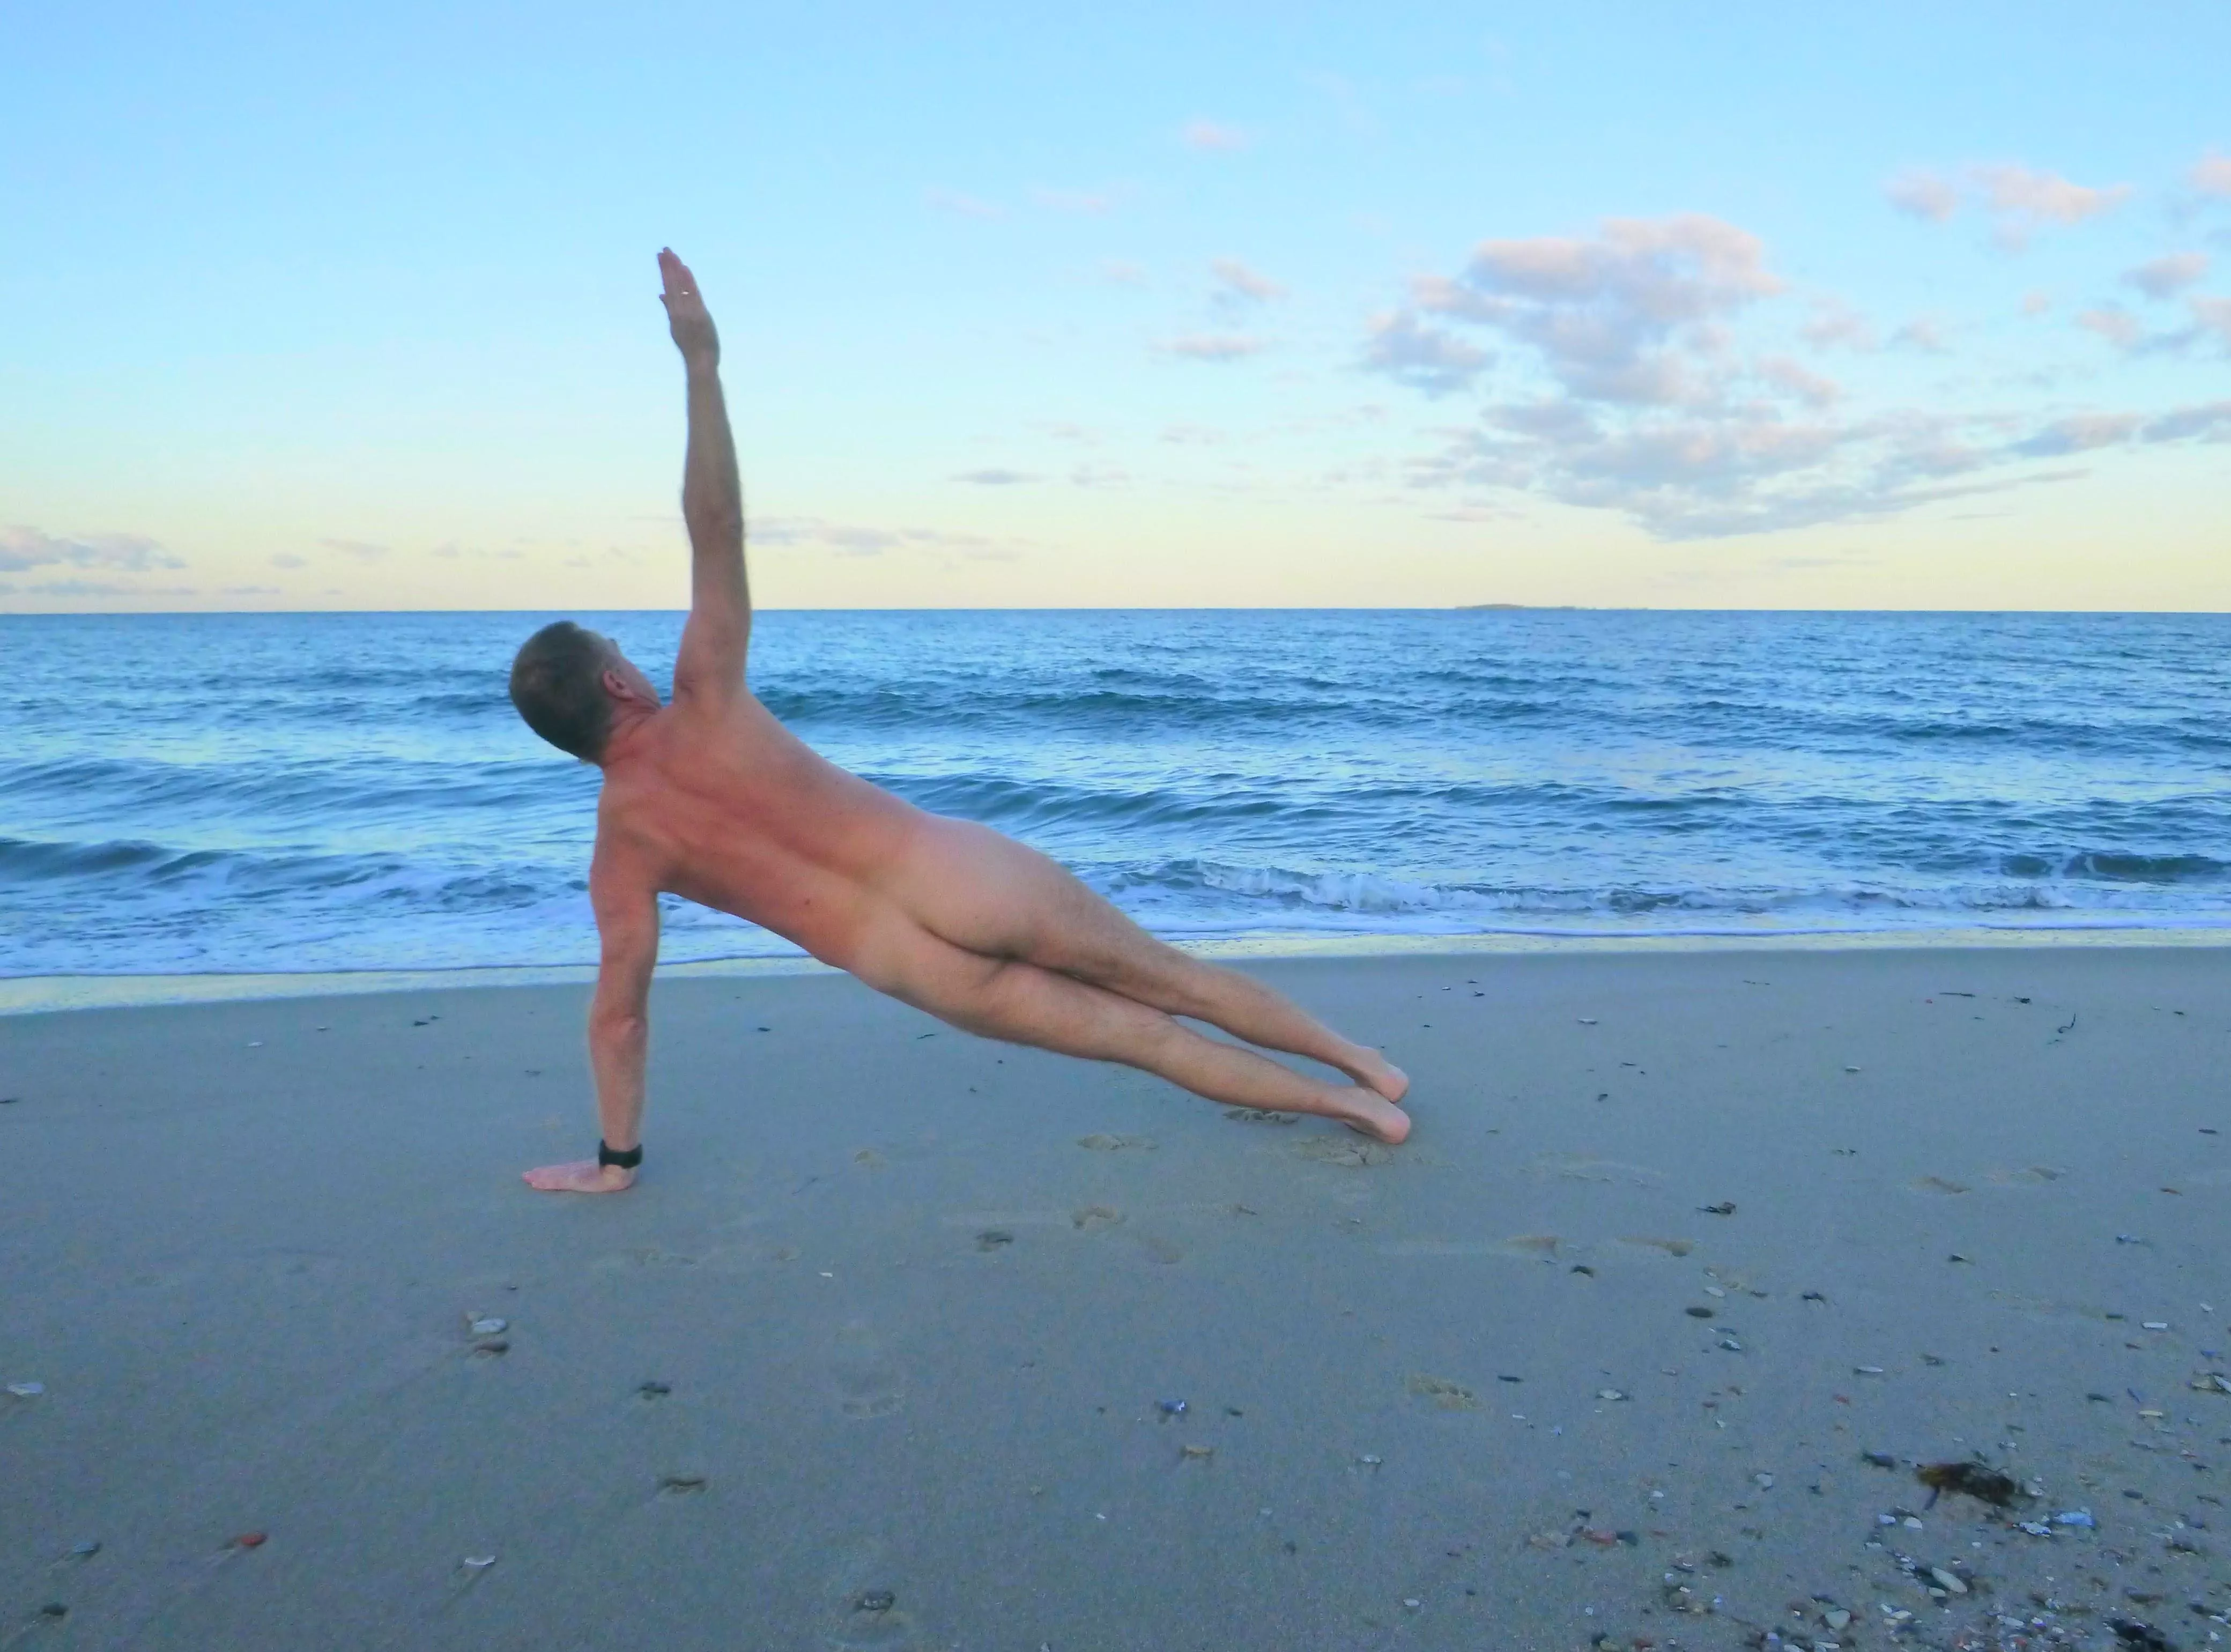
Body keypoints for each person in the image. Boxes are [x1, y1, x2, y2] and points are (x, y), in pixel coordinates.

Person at [507, 250, 1411, 1194]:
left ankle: (1360, 1112)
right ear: (615, 687)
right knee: (1172, 981)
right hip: (964, 878)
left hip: (915, 970)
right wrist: (702, 363)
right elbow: (717, 525)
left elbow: (620, 1016)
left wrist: (616, 1160)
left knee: (1146, 1042)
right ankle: (1365, 1065)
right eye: (623, 654)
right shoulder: (708, 702)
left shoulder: (624, 850)